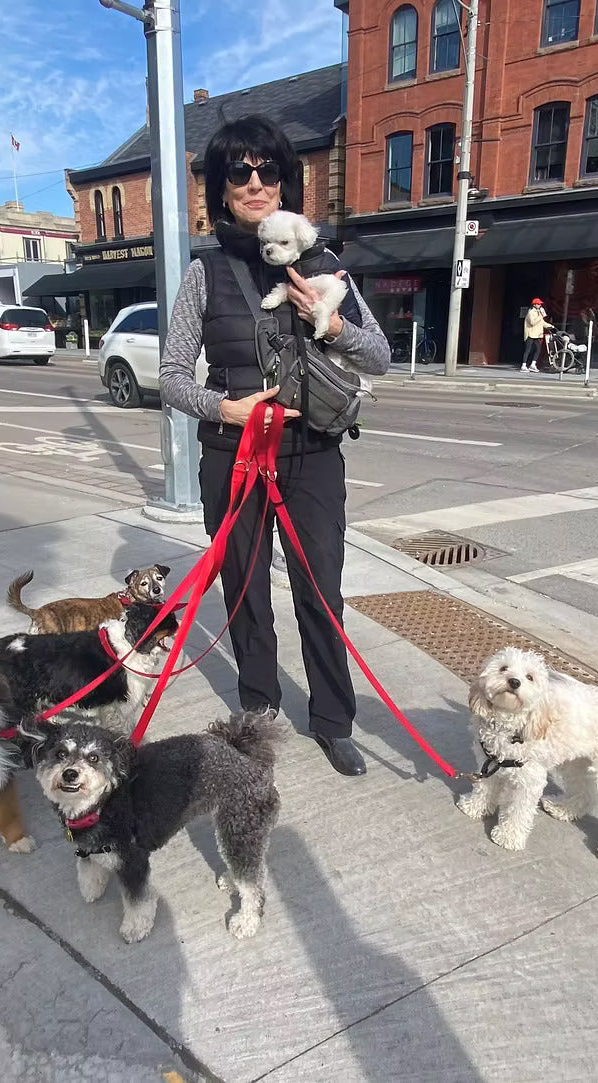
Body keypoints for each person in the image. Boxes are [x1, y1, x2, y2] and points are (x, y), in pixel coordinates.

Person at [159, 115, 390, 777]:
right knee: (245, 592)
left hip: (312, 452)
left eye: (267, 170)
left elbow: (377, 356)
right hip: (232, 454)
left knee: (321, 591)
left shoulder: (325, 263)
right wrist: (222, 407)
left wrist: (332, 318)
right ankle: (257, 715)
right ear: (222, 189)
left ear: (286, 182)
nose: (255, 183)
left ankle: (331, 720)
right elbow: (172, 374)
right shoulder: (205, 272)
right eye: (240, 172)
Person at [521, 297, 554, 372]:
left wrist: (551, 326)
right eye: (538, 304)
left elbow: (542, 323)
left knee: (538, 349)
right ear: (534, 305)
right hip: (530, 334)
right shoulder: (531, 312)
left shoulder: (539, 313)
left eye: (540, 304)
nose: (540, 305)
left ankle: (533, 364)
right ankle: (523, 365)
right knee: (528, 350)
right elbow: (532, 322)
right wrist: (541, 316)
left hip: (537, 334)